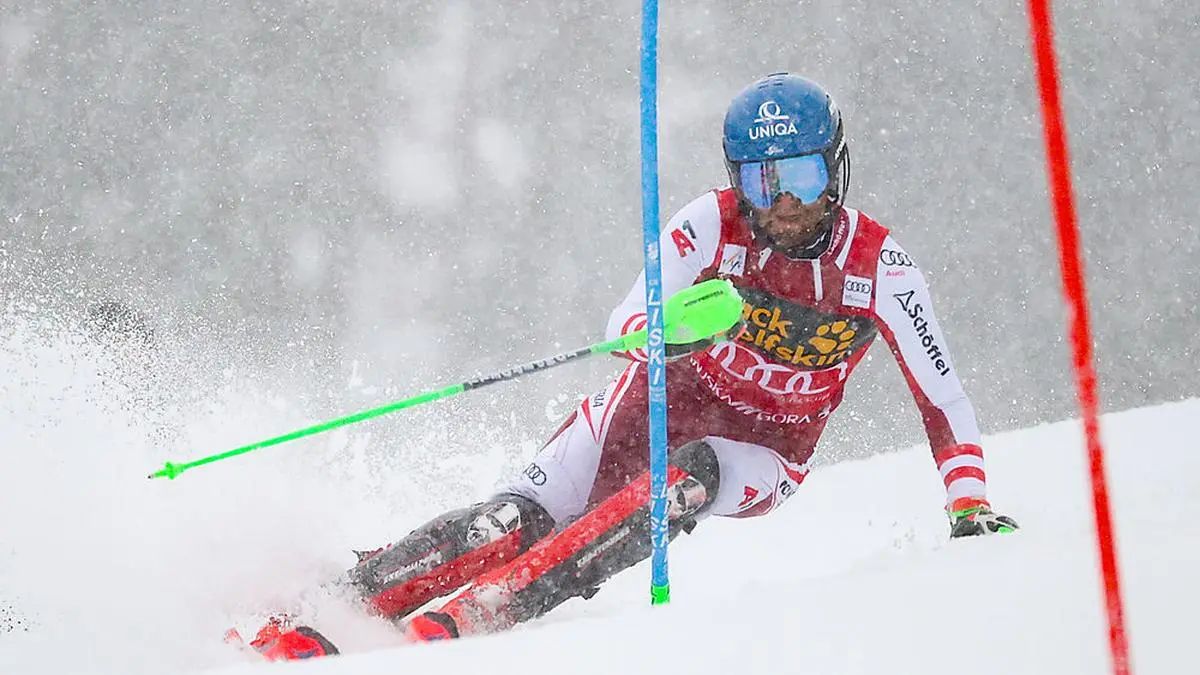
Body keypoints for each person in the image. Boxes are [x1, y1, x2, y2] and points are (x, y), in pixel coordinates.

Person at [247, 72, 1018, 661]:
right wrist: (664, 332)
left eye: (804, 176)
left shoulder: (881, 266)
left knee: (688, 476)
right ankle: (321, 606)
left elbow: (942, 396)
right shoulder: (711, 224)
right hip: (649, 403)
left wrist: (969, 502)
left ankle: (478, 613)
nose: (785, 202)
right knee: (506, 522)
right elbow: (624, 323)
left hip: (763, 453)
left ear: (837, 170)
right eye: (763, 179)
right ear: (738, 179)